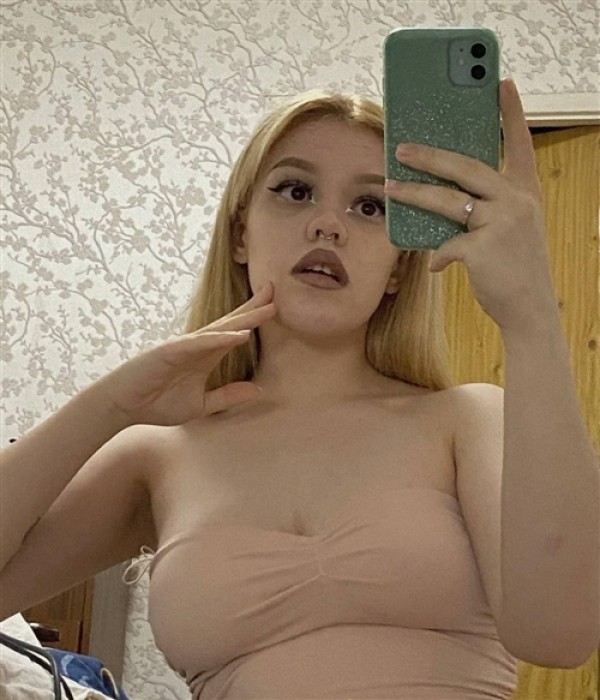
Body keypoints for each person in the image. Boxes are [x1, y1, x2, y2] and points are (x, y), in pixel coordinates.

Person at [0, 87, 521, 699]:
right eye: (296, 191)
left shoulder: (469, 418)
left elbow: (566, 633)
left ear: (399, 269)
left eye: (369, 206)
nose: (327, 223)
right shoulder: (161, 452)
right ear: (241, 235)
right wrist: (106, 406)